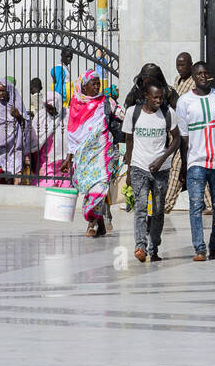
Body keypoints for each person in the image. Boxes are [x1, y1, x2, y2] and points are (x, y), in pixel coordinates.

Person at [176, 61, 215, 261]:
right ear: (193, 77)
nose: (203, 76)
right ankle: (199, 248)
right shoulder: (184, 101)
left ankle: (214, 246)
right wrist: (184, 165)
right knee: (195, 206)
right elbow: (183, 137)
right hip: (196, 162)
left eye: (206, 73)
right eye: (199, 73)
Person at [123, 82, 180, 262]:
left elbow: (177, 139)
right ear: (146, 96)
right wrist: (129, 170)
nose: (158, 100)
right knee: (140, 208)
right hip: (139, 167)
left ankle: (154, 247)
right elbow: (129, 142)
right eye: (155, 97)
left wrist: (162, 159)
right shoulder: (133, 112)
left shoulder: (168, 113)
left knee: (158, 210)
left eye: (161, 97)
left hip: (161, 170)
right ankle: (140, 245)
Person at [64, 71, 120, 238]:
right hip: (83, 157)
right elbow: (72, 133)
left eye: (98, 83)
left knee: (99, 187)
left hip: (103, 153)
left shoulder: (106, 102)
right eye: (93, 83)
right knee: (90, 189)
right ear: (84, 86)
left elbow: (122, 115)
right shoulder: (75, 105)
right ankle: (100, 224)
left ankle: (91, 223)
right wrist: (68, 158)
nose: (97, 86)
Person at [164, 51, 197, 213]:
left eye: (183, 65)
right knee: (193, 169)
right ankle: (211, 204)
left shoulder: (194, 83)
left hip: (188, 134)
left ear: (191, 65)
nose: (180, 68)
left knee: (177, 168)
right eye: (178, 65)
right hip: (176, 131)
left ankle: (166, 205)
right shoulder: (178, 80)